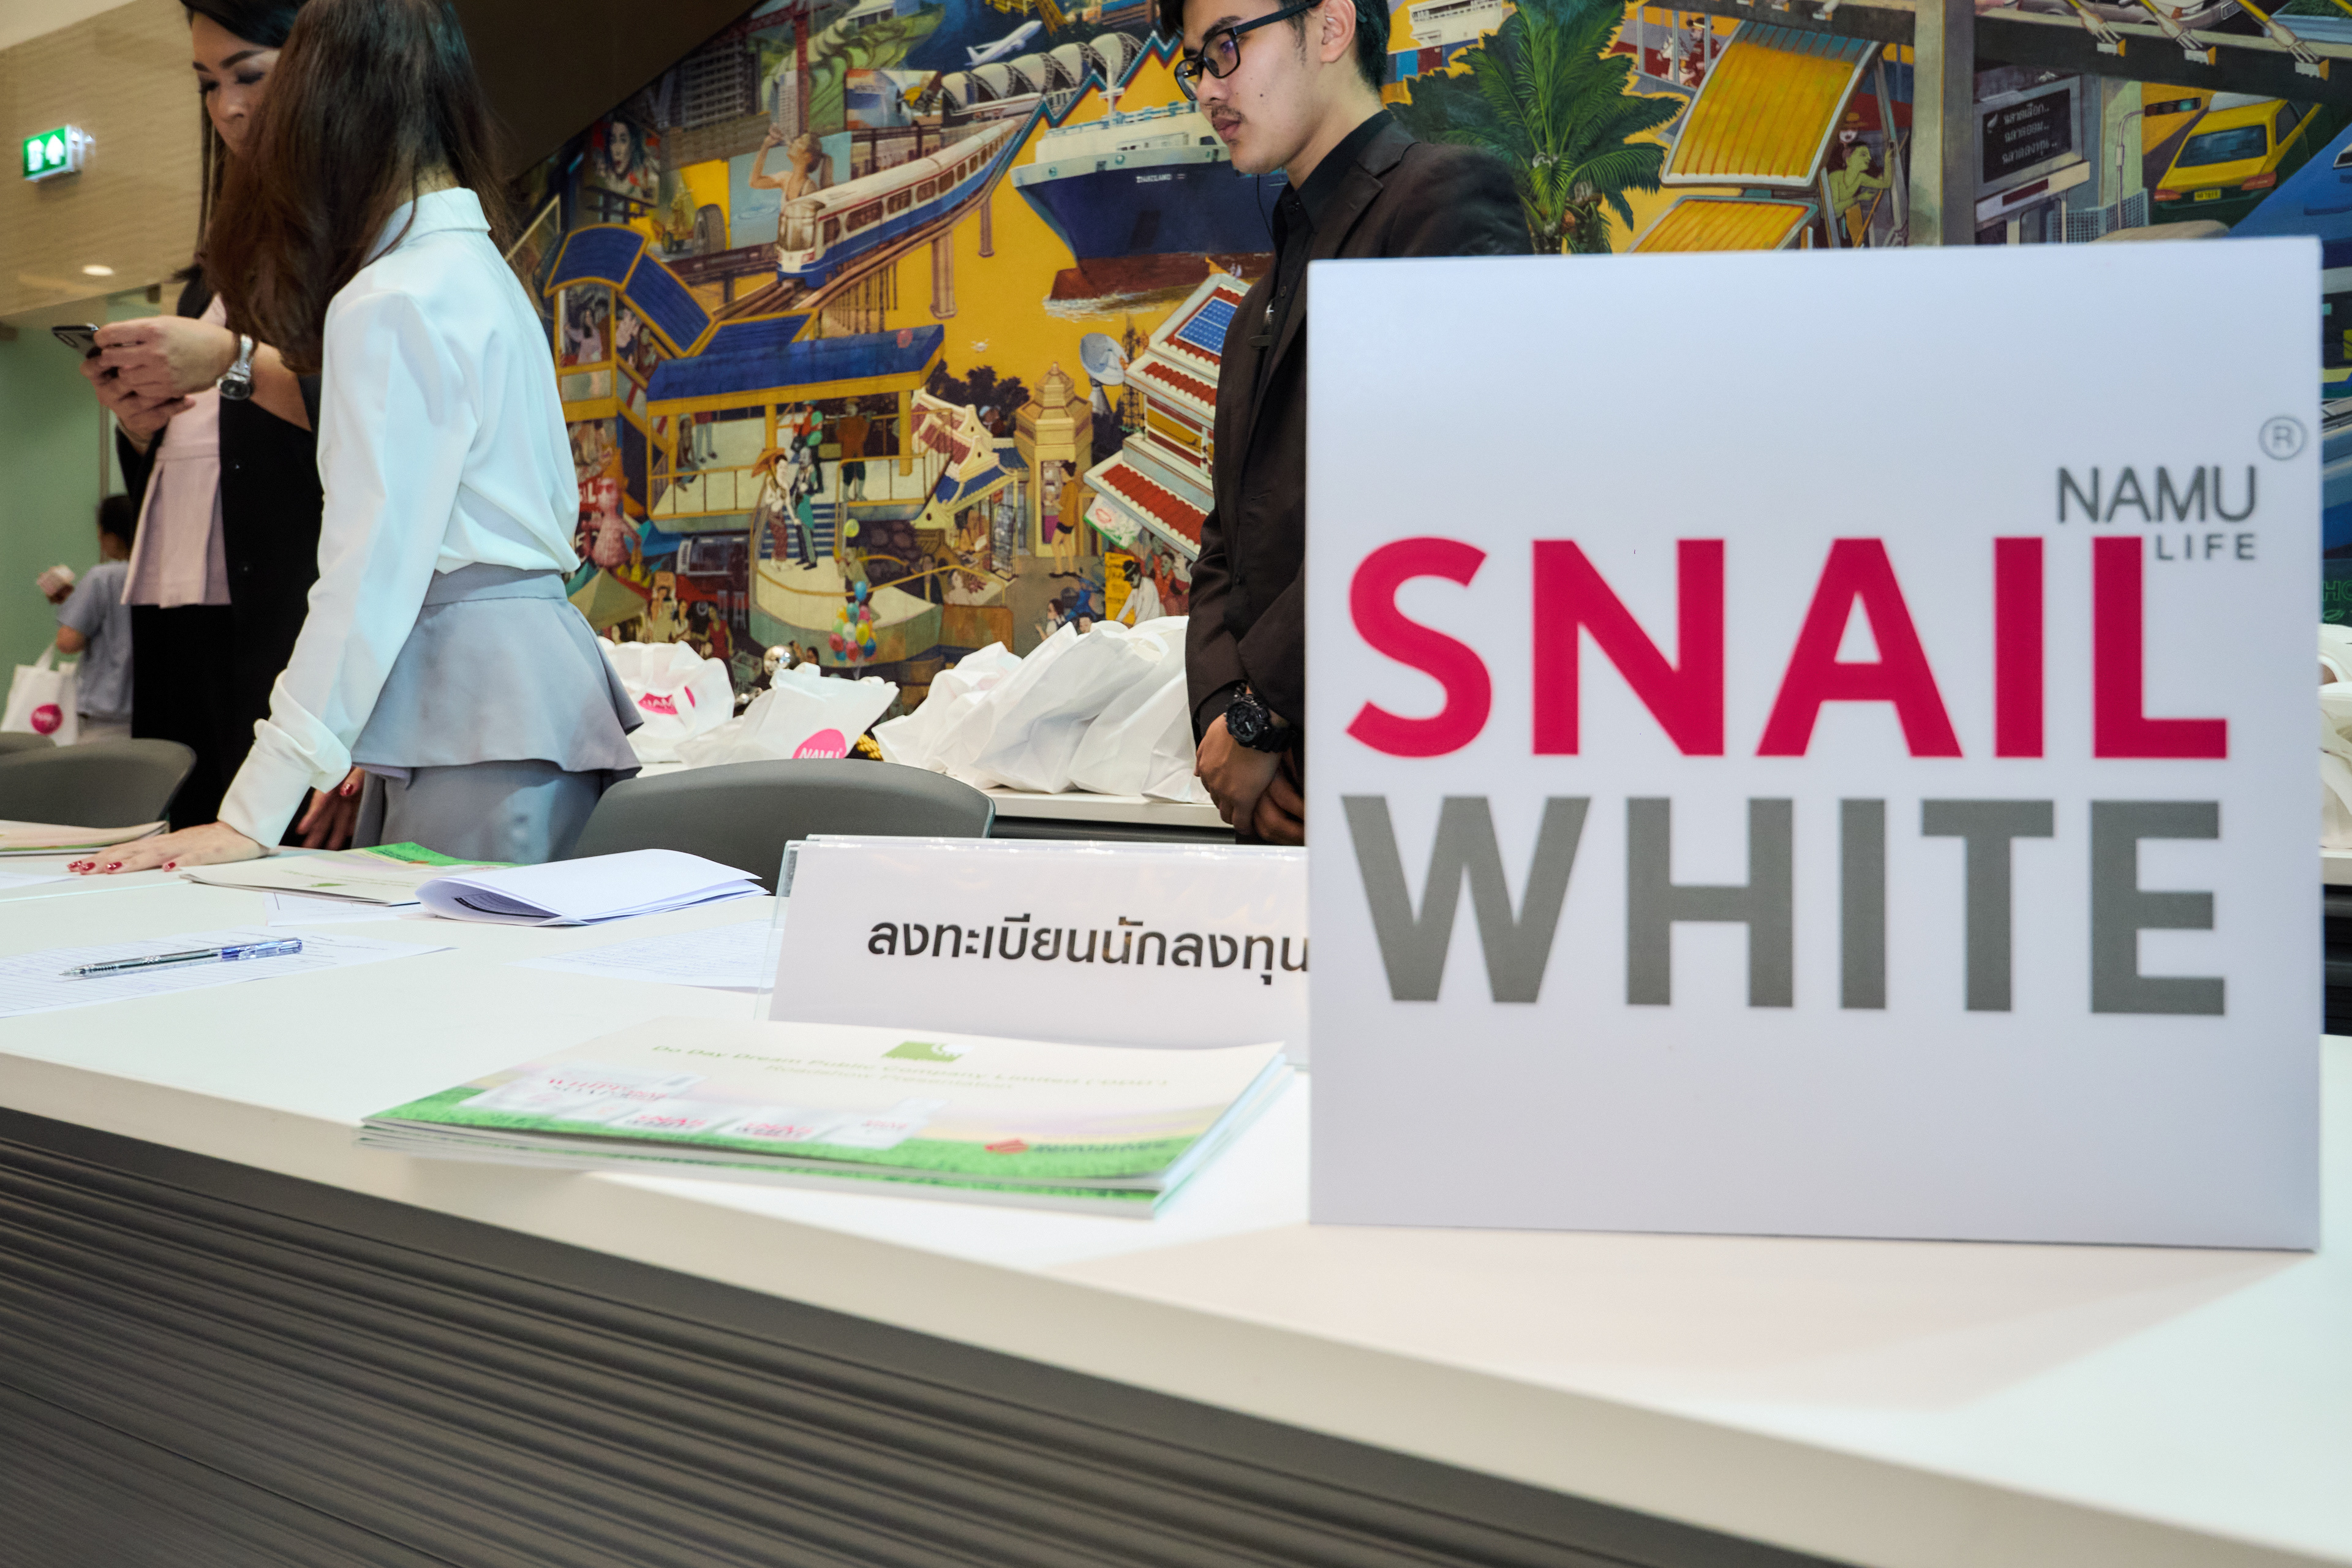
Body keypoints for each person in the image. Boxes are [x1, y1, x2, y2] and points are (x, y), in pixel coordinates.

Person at [80, 0, 639, 876]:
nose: (241, 114)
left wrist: (254, 808)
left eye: (268, 78)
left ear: (331, 99)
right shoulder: (477, 270)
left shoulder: (391, 297)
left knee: (454, 960)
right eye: (212, 86)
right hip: (506, 697)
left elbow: (367, 571)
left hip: (468, 710)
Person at [1168, 0, 1526, 844]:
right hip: (1273, 802)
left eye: (1227, 46)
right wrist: (1224, 723)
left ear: (1330, 29)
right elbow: (1227, 543)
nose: (1208, 89)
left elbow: (1446, 498)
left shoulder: (1441, 201)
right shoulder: (1256, 306)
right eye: (1195, 64)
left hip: (1409, 780)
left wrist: (1263, 717)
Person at [80, 0, 350, 841]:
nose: (227, 108)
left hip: (287, 592)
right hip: (182, 590)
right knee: (186, 822)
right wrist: (140, 423)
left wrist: (234, 360)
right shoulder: (218, 261)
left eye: (249, 75)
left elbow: (371, 413)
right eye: (206, 83)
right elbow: (194, 439)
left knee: (269, 836)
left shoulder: (356, 238)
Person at [52, 497, 138, 745]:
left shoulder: (102, 578)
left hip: (108, 717)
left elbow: (68, 642)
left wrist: (78, 606)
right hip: (159, 713)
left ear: (109, 535)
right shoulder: (162, 576)